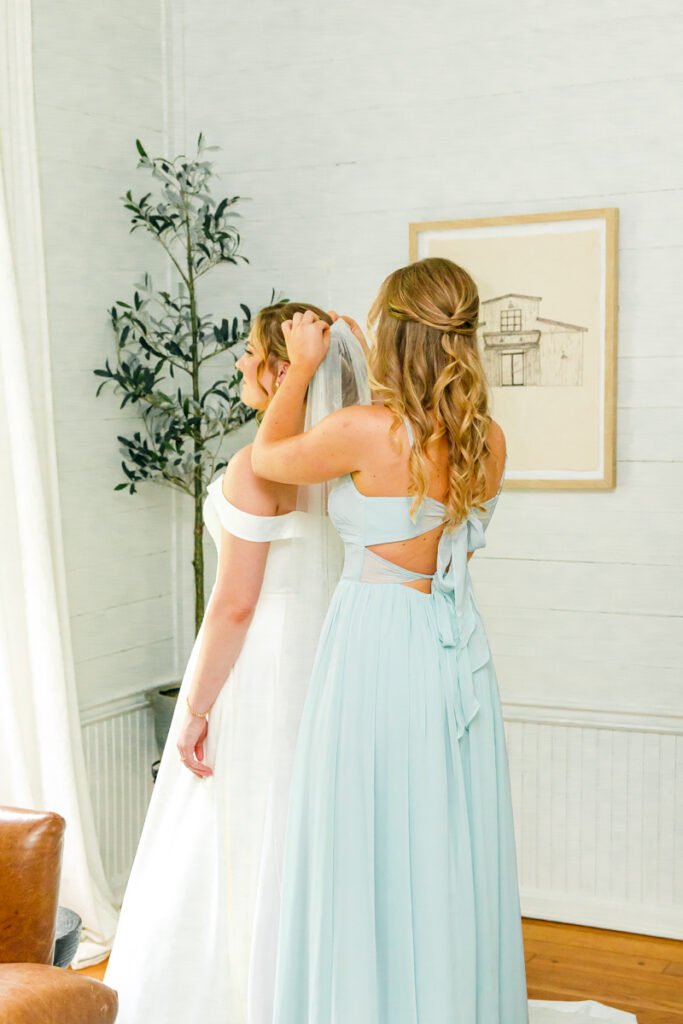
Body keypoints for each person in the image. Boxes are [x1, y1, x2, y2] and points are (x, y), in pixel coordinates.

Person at [251, 259, 638, 1024]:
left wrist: (299, 370)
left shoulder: (364, 430)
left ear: (392, 332)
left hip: (373, 643)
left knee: (367, 834)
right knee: (442, 832)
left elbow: (268, 457)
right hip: (451, 649)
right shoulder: (484, 438)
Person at [103, 301, 369, 1024]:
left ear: (282, 367)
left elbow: (234, 606)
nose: (240, 365)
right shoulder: (349, 461)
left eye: (251, 354)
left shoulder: (255, 465)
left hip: (259, 664)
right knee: (307, 818)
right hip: (328, 653)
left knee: (238, 816)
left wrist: (194, 708)